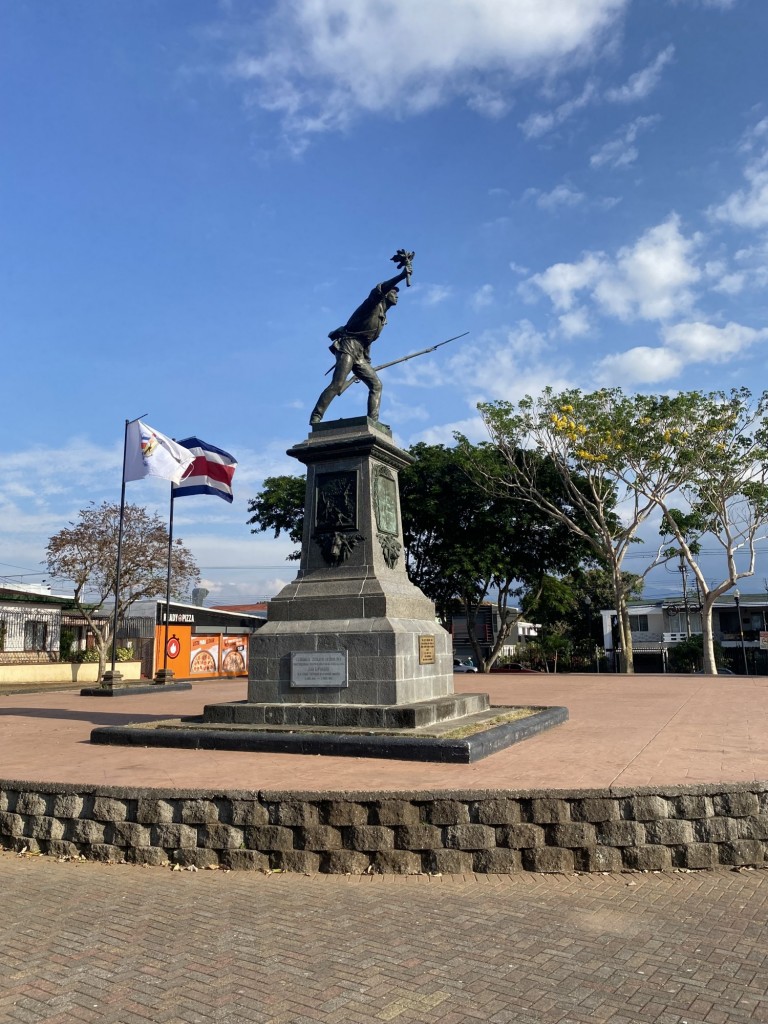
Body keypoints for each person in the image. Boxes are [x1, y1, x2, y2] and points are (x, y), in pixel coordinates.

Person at [309, 262, 411, 425]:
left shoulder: (382, 318)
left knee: (376, 385)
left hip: (360, 354)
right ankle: (316, 416)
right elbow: (381, 288)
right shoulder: (372, 304)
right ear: (386, 295)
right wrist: (401, 276)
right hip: (348, 347)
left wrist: (367, 360)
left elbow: (367, 339)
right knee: (337, 385)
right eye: (394, 292)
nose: (397, 295)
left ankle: (373, 422)